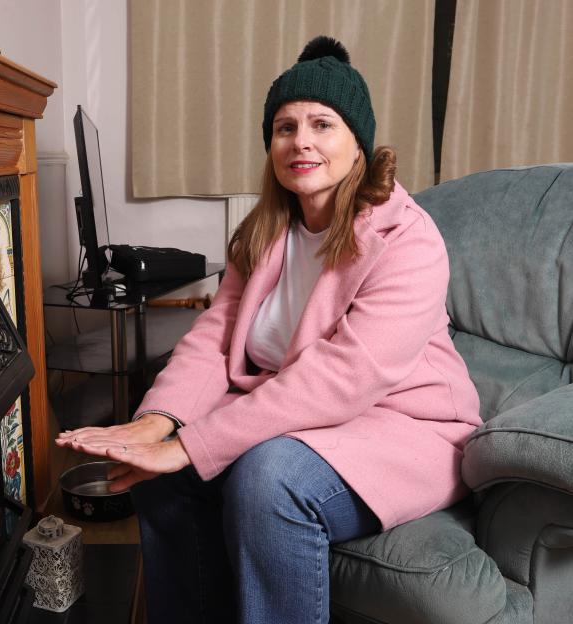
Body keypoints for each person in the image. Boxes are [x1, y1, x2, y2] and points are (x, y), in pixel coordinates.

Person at [56, 35, 481, 624]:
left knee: (268, 479)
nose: (301, 140)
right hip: (295, 418)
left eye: (322, 124)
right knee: (159, 477)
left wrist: (193, 444)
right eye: (285, 127)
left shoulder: (408, 241)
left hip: (402, 427)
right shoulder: (263, 233)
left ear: (358, 143)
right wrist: (158, 423)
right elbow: (214, 336)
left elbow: (342, 379)